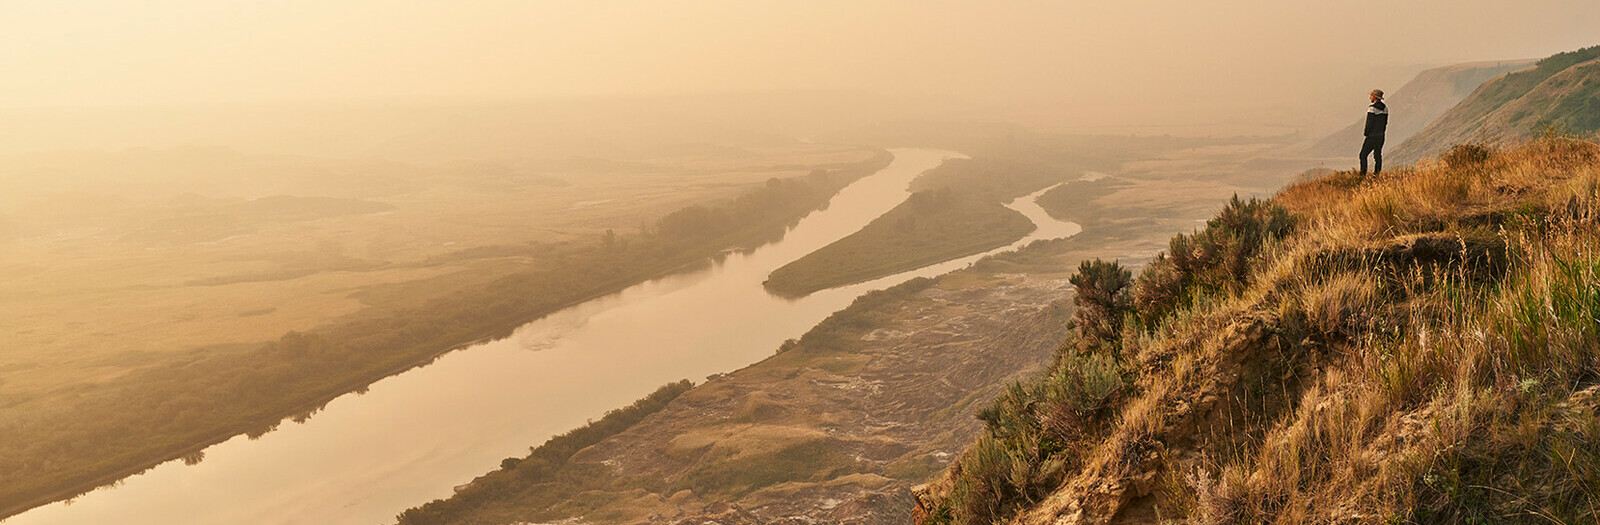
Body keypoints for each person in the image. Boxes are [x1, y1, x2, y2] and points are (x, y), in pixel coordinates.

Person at [1360, 89, 1388, 174]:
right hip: (1381, 135)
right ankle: (1377, 174)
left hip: (1372, 136)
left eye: (1371, 96)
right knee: (1377, 155)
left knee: (1363, 155)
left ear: (1375, 97)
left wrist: (1366, 133)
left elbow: (1369, 123)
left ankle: (1363, 174)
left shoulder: (1372, 108)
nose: (1370, 97)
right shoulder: (1385, 108)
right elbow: (1385, 123)